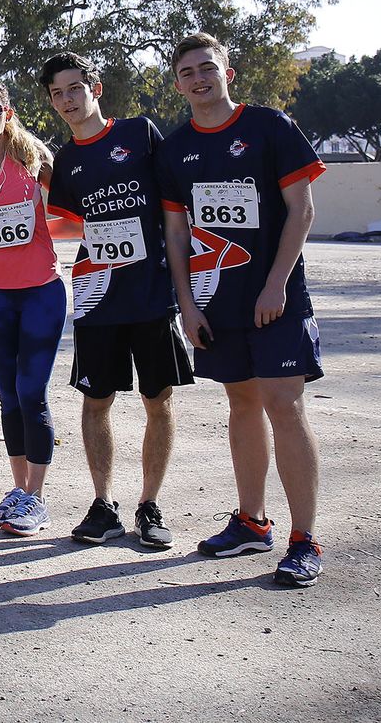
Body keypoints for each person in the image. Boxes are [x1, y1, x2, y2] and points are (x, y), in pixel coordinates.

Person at [158, 32, 326, 587]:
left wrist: (276, 285)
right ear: (177, 82)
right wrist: (188, 305)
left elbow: (301, 210)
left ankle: (305, 540)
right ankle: (252, 522)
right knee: (242, 401)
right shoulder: (176, 148)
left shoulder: (269, 126)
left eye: (207, 67)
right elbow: (177, 235)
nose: (198, 78)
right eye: (187, 72)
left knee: (284, 402)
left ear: (226, 71)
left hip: (276, 297)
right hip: (217, 303)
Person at [41, 53, 189, 549]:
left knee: (157, 401)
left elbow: (174, 205)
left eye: (74, 88)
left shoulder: (140, 134)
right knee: (95, 400)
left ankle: (149, 505)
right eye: (57, 94)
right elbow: (65, 221)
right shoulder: (66, 160)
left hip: (151, 294)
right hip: (97, 296)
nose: (67, 100)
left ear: (96, 88)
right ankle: (103, 505)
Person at [0, 78, 65, 536]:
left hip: (41, 291)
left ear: (9, 113)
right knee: (7, 395)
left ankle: (37, 498)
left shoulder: (33, 158)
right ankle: (19, 491)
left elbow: (75, 205)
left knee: (31, 392)